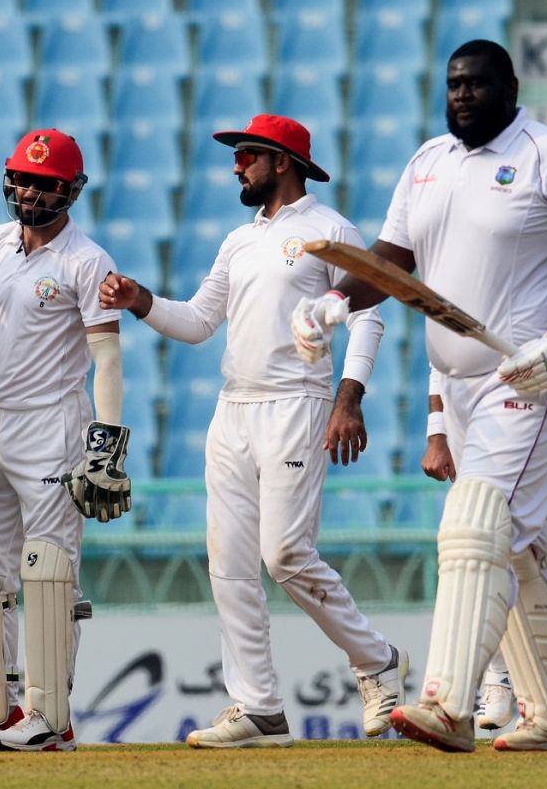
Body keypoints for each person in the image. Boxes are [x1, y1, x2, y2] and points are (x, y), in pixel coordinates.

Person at [291, 40, 547, 752]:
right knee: (510, 548)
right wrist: (335, 305)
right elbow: (394, 264)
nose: (462, 95)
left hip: (530, 380)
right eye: (453, 85)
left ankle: (448, 702)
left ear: (509, 86)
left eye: (476, 84)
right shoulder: (427, 163)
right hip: (466, 385)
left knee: (474, 525)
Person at [99, 114, 409, 749]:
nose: (235, 167)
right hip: (233, 408)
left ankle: (377, 661)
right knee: (231, 566)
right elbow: (197, 321)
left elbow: (368, 316)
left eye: (246, 156)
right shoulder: (238, 242)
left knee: (286, 555)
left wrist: (349, 397)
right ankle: (257, 705)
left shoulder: (330, 231)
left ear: (281, 162)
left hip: (297, 403)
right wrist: (141, 301)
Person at [0, 129, 132, 753]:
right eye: (22, 179)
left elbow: (107, 359)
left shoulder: (87, 260)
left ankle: (52, 717)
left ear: (70, 191)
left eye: (45, 184)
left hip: (57, 428)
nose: (30, 191)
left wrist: (106, 444)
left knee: (47, 573)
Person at [421, 323, 547, 731]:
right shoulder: (465, 269)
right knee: (484, 543)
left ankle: (536, 689)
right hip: (476, 429)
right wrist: (436, 432)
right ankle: (514, 687)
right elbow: (443, 357)